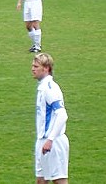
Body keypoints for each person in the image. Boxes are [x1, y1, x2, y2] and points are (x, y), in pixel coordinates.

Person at [32, 52, 69, 184]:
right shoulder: (42, 87)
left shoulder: (50, 88)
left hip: (53, 142)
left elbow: (62, 115)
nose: (32, 69)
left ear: (46, 68)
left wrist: (50, 139)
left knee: (59, 180)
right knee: (40, 180)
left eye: (36, 66)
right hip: (42, 141)